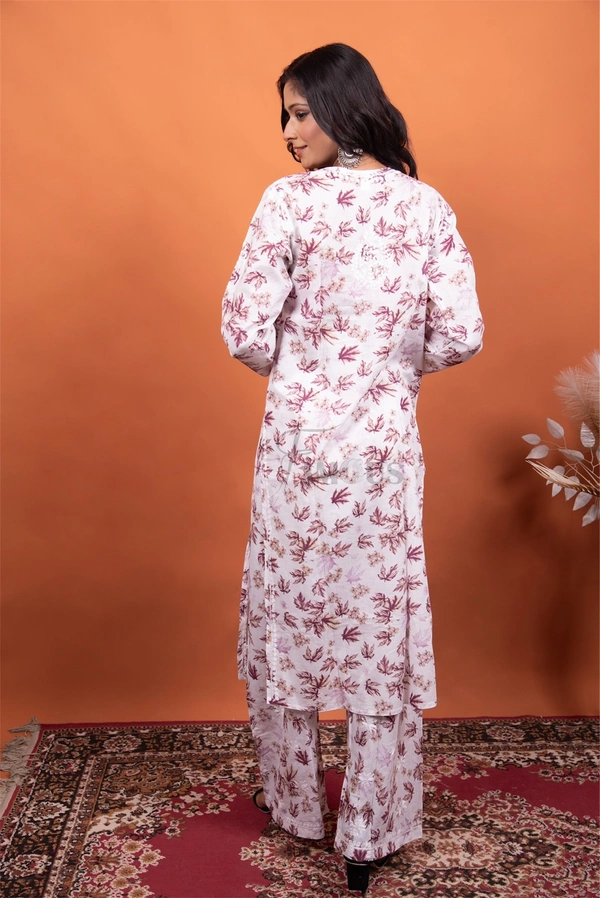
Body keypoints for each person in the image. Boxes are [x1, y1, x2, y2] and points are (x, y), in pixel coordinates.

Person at [221, 43, 483, 896]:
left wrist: (307, 371)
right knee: (377, 632)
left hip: (298, 453)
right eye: (285, 115)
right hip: (381, 456)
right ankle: (369, 834)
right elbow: (461, 334)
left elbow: (245, 332)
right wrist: (387, 371)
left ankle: (298, 807)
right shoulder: (425, 206)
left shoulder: (287, 203)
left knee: (290, 621)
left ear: (342, 105)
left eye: (300, 112)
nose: (289, 131)